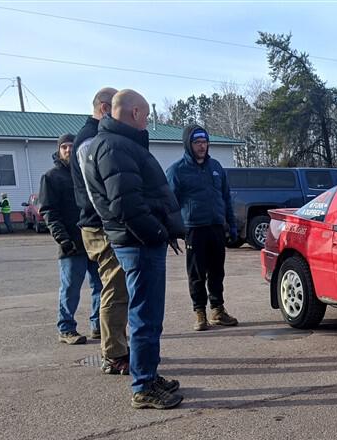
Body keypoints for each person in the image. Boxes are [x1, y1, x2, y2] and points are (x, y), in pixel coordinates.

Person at [84, 89, 184, 409]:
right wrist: (157, 233)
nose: (148, 122)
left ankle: (148, 375)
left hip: (139, 243)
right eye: (147, 116)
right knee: (145, 316)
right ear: (135, 113)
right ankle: (142, 386)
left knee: (149, 315)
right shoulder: (114, 147)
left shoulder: (116, 144)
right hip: (139, 245)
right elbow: (126, 204)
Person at [72, 86, 131, 374]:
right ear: (106, 109)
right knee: (115, 287)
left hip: (103, 224)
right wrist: (115, 220)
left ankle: (118, 344)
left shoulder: (95, 137)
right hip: (100, 227)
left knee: (117, 288)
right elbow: (97, 193)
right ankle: (114, 354)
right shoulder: (90, 141)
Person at [166, 125, 239, 331]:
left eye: (204, 142)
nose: (202, 146)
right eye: (197, 142)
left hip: (216, 226)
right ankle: (199, 312)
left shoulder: (216, 167)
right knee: (197, 273)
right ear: (188, 144)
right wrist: (172, 231)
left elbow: (225, 198)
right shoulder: (176, 171)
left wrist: (231, 225)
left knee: (217, 271)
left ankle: (218, 310)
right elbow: (169, 205)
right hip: (194, 229)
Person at [39, 134, 103, 345]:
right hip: (71, 243)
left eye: (71, 146)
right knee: (70, 288)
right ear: (58, 150)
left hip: (93, 240)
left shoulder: (85, 173)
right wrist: (62, 239)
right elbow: (49, 212)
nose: (67, 150)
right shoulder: (51, 177)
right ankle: (66, 328)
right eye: (64, 147)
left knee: (100, 286)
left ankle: (98, 325)